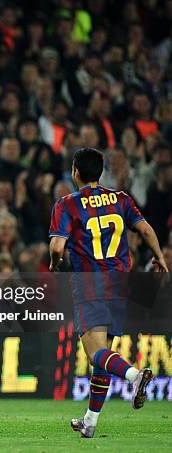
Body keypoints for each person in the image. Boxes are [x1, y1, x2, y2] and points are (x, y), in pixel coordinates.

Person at [49, 147, 168, 438]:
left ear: (75, 172)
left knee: (95, 353)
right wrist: (159, 257)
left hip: (90, 284)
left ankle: (134, 375)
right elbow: (147, 230)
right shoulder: (121, 198)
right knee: (104, 353)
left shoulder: (67, 204)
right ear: (100, 172)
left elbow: (56, 246)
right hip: (120, 283)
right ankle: (90, 421)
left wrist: (55, 264)